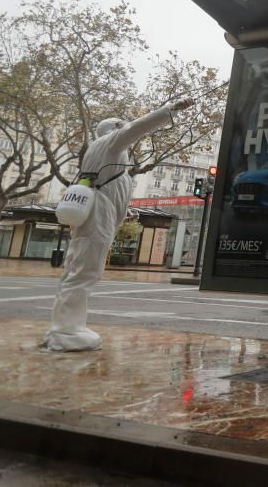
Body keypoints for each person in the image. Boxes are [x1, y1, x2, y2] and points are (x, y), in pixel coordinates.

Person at [42, 99, 194, 352]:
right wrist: (170, 110)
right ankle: (64, 332)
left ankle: (68, 327)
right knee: (84, 272)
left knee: (80, 270)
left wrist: (127, 212)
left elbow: (111, 192)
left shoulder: (109, 160)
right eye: (122, 129)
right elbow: (136, 127)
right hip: (96, 219)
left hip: (98, 216)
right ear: (114, 130)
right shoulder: (109, 144)